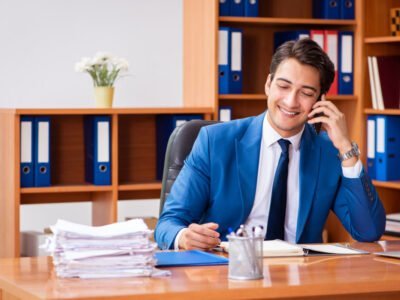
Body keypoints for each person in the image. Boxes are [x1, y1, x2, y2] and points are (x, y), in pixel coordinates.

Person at [155, 38, 386, 250]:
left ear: (320, 101)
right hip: (228, 273)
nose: (290, 101)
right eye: (283, 87)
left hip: (301, 280)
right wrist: (184, 236)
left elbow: (368, 231)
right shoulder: (214, 141)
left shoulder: (328, 152)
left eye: (306, 92)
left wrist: (347, 149)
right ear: (268, 84)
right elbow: (168, 223)